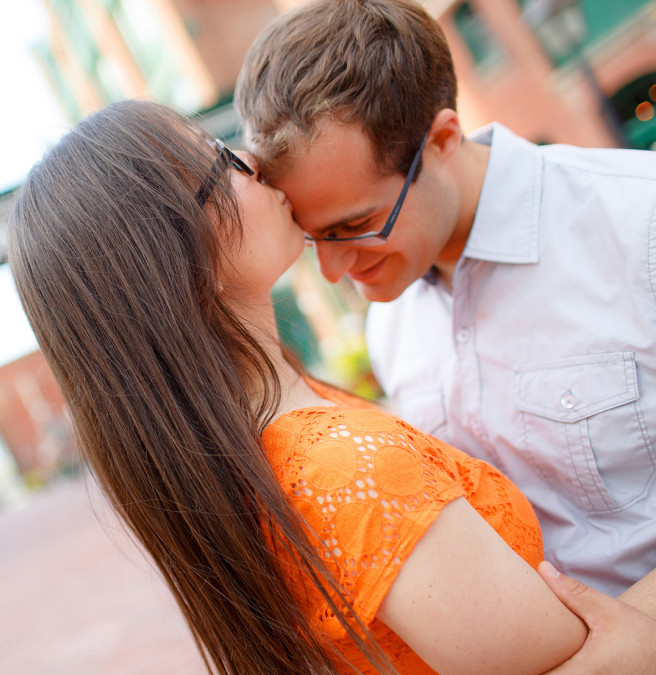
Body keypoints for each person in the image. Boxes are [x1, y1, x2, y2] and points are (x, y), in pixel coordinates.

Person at [8, 99, 588, 675]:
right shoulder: (350, 471)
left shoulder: (259, 455)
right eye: (222, 157)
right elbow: (596, 669)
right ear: (185, 257)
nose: (256, 163)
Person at [235, 0, 656, 603]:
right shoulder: (391, 324)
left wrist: (632, 642)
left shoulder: (640, 225)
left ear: (442, 140)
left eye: (355, 224)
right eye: (312, 236)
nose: (333, 270)